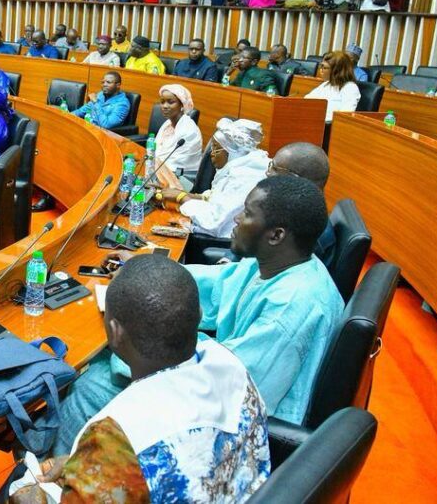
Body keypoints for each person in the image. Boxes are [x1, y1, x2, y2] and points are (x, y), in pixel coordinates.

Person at [54, 176, 341, 456]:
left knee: (90, 387)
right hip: (227, 375)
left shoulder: (291, 309)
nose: (238, 219)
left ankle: (61, 483)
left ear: (276, 235)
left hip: (239, 424)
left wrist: (139, 350)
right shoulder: (280, 263)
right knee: (104, 356)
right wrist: (145, 267)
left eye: (248, 213)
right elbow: (215, 283)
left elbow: (230, 385)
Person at [14, 255, 270, 500]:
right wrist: (82, 466)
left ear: (115, 333)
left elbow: (125, 463)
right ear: (200, 315)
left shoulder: (116, 436)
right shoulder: (231, 365)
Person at [208, 142, 337, 267]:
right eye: (270, 165)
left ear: (296, 179)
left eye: (274, 168)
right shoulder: (283, 208)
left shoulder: (307, 232)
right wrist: (227, 263)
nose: (267, 173)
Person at [160, 118, 269, 238]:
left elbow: (213, 222)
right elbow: (215, 199)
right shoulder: (239, 168)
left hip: (219, 242)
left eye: (216, 148)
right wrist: (178, 194)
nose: (211, 153)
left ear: (231, 152)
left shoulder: (244, 178)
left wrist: (181, 198)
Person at [155, 84, 204, 181]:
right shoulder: (167, 124)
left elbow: (176, 165)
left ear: (182, 105)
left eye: (170, 102)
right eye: (162, 102)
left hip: (180, 180)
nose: (165, 106)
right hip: (159, 173)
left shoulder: (189, 131)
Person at [305, 50, 361, 123]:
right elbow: (306, 101)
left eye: (324, 68)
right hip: (315, 123)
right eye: (320, 66)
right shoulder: (326, 84)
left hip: (329, 127)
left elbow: (344, 117)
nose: (321, 71)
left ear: (336, 70)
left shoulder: (350, 88)